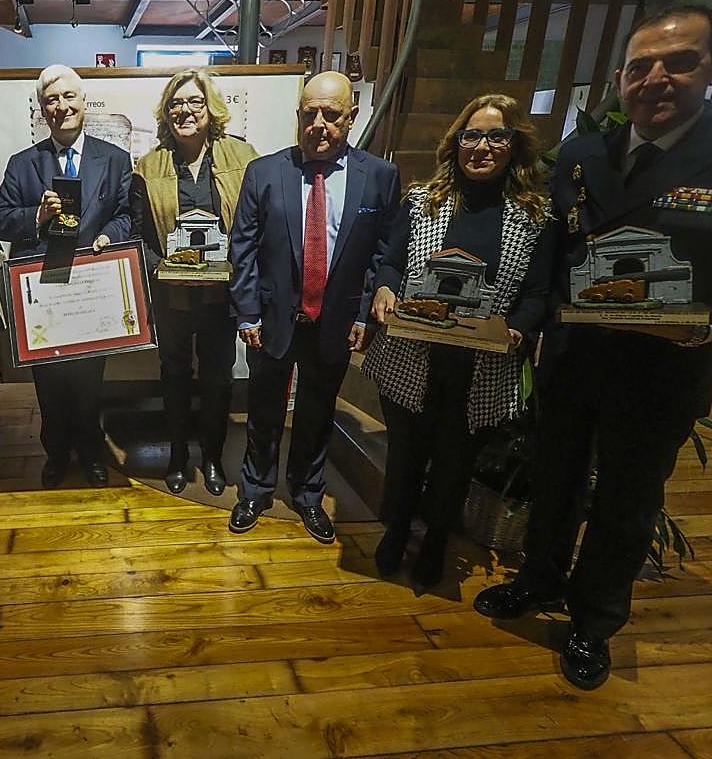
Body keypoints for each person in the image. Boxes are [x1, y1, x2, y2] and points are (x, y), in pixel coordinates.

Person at [473, 5, 712, 690]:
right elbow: (555, 255)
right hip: (574, 362)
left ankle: (593, 622)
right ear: (620, 78)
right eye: (641, 67)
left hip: (665, 371)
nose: (657, 79)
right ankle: (538, 581)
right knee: (555, 484)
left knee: (628, 504)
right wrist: (535, 328)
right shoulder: (581, 156)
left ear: (707, 70)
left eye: (680, 62)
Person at [361, 94, 554, 589]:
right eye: (472, 135)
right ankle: (395, 531)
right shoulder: (423, 202)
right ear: (456, 143)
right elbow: (391, 262)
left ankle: (438, 544)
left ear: (514, 146)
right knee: (404, 456)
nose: (482, 146)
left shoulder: (535, 216)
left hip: (481, 368)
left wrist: (517, 328)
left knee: (454, 465)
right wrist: (383, 288)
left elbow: (537, 291)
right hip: (413, 357)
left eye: (496, 136)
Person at [228, 71, 400, 542]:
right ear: (298, 115)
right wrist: (247, 313)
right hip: (271, 320)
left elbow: (387, 253)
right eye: (310, 113)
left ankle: (307, 493)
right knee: (264, 410)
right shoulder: (264, 172)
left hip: (338, 322)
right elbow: (242, 249)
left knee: (318, 411)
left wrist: (366, 314)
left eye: (332, 114)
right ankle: (256, 490)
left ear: (353, 116)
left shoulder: (380, 177)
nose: (319, 123)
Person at [0, 64, 132, 488]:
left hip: (94, 287)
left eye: (69, 97)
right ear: (41, 109)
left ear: (84, 102)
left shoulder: (114, 159)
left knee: (90, 379)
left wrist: (109, 235)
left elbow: (129, 216)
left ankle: (90, 450)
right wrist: (35, 217)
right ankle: (56, 451)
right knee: (49, 382)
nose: (61, 106)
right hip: (43, 290)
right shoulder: (22, 165)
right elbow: (0, 222)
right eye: (51, 100)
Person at [130, 69, 259, 496]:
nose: (184, 111)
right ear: (166, 113)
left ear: (210, 108)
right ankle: (179, 456)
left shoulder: (242, 158)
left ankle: (214, 458)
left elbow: (252, 227)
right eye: (176, 104)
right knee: (174, 374)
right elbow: (140, 232)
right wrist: (158, 266)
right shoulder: (149, 166)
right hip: (171, 298)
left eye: (193, 102)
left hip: (222, 297)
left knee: (218, 378)